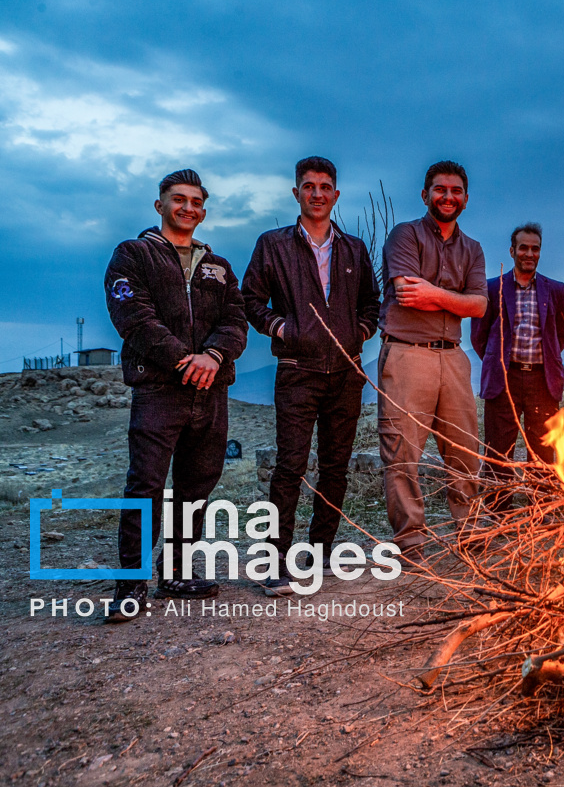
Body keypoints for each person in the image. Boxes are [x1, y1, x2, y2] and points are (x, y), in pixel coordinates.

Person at [103, 169, 248, 621]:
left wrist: (214, 357)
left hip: (210, 391)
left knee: (196, 486)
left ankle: (177, 573)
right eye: (178, 199)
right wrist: (185, 360)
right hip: (159, 389)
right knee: (145, 485)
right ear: (159, 204)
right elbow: (133, 317)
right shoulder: (133, 254)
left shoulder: (219, 267)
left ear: (203, 210)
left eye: (196, 202)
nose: (188, 207)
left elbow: (236, 321)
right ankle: (130, 586)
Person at [241, 156, 380, 596]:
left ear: (336, 195)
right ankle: (275, 562)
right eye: (308, 186)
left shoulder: (354, 249)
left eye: (325, 187)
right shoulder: (274, 245)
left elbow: (372, 305)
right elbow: (250, 299)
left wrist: (358, 331)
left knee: (335, 467)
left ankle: (319, 552)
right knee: (291, 466)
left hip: (345, 373)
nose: (317, 193)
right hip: (296, 372)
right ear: (296, 192)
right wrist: (282, 328)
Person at [378, 160, 487, 558]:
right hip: (407, 355)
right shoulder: (405, 235)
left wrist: (436, 294)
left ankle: (471, 534)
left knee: (465, 451)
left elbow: (479, 306)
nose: (448, 197)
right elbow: (407, 292)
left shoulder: (472, 249)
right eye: (440, 190)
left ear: (466, 199)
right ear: (425, 195)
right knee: (402, 452)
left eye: (456, 191)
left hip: (454, 358)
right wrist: (456, 299)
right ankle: (411, 543)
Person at [471, 223, 564, 508]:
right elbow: (479, 336)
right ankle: (498, 510)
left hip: (542, 379)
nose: (529, 253)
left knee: (542, 448)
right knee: (499, 448)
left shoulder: (556, 290)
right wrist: (498, 362)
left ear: (540, 252)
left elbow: (559, 335)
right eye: (523, 248)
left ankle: (539, 509)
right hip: (505, 377)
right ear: (512, 251)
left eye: (535, 248)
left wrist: (546, 360)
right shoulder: (493, 288)